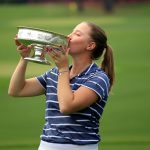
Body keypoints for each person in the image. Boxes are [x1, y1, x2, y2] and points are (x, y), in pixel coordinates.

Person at [8, 21, 115, 150]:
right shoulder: (55, 73)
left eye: (77, 34)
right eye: (71, 31)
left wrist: (63, 68)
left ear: (90, 45)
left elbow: (67, 106)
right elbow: (16, 90)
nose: (69, 36)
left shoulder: (98, 78)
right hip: (47, 144)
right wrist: (24, 58)